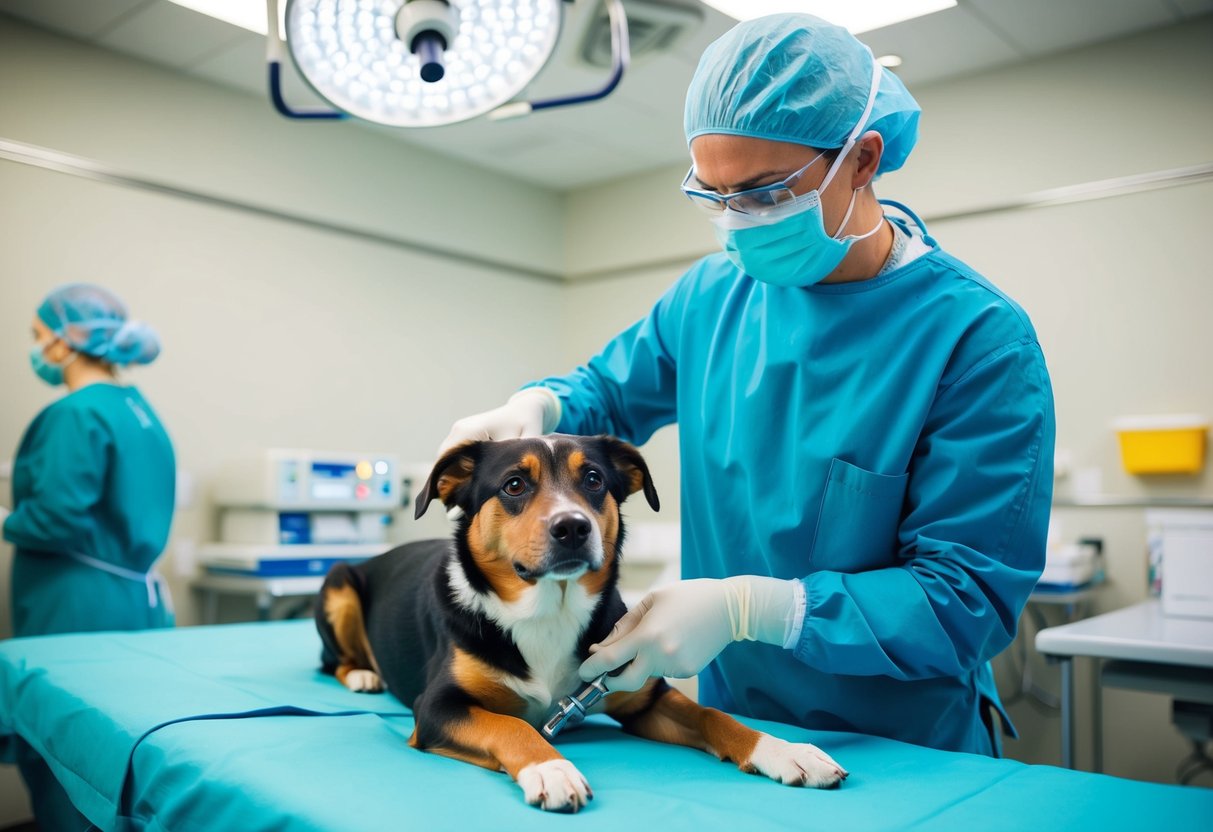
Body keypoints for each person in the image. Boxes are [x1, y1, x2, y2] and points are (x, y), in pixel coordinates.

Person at [438, 13, 1054, 757]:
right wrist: (535, 405)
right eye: (714, 195)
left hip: (900, 743)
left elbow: (966, 602)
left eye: (764, 194)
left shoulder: (975, 339)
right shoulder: (711, 295)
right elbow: (605, 389)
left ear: (861, 160)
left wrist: (751, 609)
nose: (738, 223)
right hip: (742, 729)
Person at [2, 283, 176, 636]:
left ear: (63, 341)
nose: (36, 347)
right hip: (132, 602)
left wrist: (5, 523)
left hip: (75, 604)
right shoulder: (138, 410)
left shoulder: (76, 413)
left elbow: (54, 521)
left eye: (38, 335)